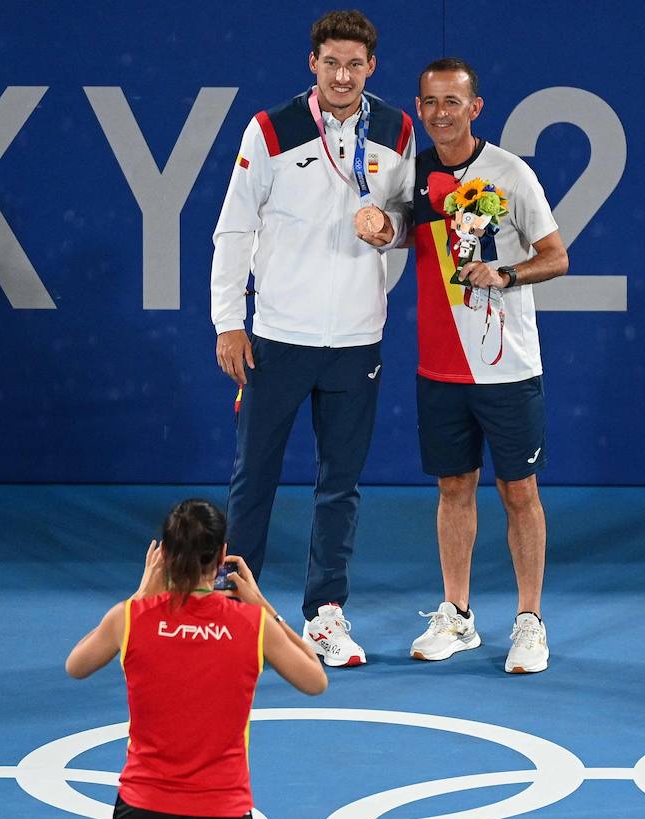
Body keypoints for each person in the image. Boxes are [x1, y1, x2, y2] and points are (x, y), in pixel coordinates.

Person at [210, 9, 415, 668]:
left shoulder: (396, 130)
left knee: (340, 484)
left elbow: (412, 219)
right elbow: (234, 230)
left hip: (357, 339)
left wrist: (390, 230)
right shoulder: (269, 129)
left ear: (372, 67)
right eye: (332, 63)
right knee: (255, 478)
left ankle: (325, 614)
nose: (343, 75)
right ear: (312, 63)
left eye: (355, 64)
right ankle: (235, 609)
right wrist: (228, 322)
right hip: (278, 336)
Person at [65, 498, 326, 819]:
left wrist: (140, 596)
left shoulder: (130, 618)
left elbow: (76, 665)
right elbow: (315, 679)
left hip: (144, 813)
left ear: (163, 555)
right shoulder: (252, 625)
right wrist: (262, 605)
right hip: (219, 817)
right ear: (222, 556)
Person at [396, 58, 568, 673]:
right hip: (439, 368)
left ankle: (529, 621)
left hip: (508, 367)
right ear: (419, 108)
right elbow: (389, 231)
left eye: (453, 102)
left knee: (519, 492)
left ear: (476, 107)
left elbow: (556, 257)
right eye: (430, 102)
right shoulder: (409, 176)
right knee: (453, 489)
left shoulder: (511, 174)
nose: (441, 113)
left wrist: (507, 273)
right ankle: (458, 615)